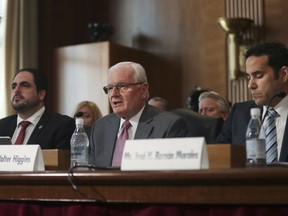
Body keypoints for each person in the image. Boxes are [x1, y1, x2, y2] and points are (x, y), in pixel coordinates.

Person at [88, 61, 188, 167]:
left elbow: (172, 176)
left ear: (143, 90)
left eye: (122, 86)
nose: (113, 94)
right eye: (109, 88)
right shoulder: (100, 127)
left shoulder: (169, 125)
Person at [214, 42, 288, 162]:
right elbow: (217, 155)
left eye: (258, 76)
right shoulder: (239, 113)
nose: (250, 85)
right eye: (248, 77)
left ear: (283, 74)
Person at [0, 68, 75, 149]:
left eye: (25, 85)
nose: (16, 90)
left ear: (41, 94)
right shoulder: (2, 125)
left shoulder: (62, 125)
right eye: (14, 86)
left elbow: (61, 160)